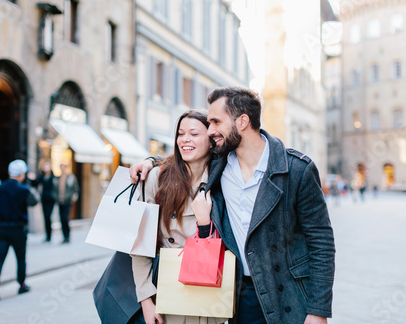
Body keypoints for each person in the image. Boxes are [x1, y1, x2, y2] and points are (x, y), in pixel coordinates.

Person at [131, 87, 335, 324]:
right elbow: (185, 155)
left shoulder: (297, 169)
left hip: (289, 296)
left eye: (216, 122)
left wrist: (318, 309)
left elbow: (321, 241)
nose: (210, 131)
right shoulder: (220, 165)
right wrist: (149, 162)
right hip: (241, 294)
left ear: (242, 121)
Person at [132, 110, 224, 324]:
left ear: (211, 141)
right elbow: (140, 245)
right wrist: (146, 300)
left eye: (194, 133)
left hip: (210, 291)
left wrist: (204, 223)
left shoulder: (223, 178)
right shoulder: (158, 178)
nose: (185, 139)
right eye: (181, 134)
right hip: (167, 291)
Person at [0, 159, 40, 301]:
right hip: (18, 229)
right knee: (20, 258)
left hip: (1, 228)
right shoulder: (24, 189)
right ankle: (22, 285)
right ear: (21, 174)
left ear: (9, 173)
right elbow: (35, 200)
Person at [53, 163, 79, 244]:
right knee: (61, 219)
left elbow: (76, 188)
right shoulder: (58, 178)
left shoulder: (70, 177)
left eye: (63, 168)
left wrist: (73, 197)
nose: (62, 169)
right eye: (61, 168)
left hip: (67, 201)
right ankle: (64, 237)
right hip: (60, 201)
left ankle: (67, 236)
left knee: (65, 218)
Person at [31, 162, 57, 242]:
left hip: (51, 200)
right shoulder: (42, 177)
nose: (45, 168)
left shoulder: (53, 177)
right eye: (44, 167)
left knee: (48, 216)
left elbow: (56, 188)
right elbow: (35, 183)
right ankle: (47, 236)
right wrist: (32, 178)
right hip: (44, 199)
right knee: (45, 217)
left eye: (47, 166)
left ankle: (49, 235)